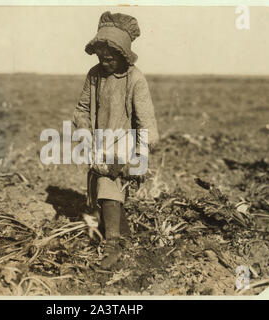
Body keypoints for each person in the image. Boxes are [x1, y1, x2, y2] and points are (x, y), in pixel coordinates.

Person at [72, 11, 159, 269]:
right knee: (105, 195)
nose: (105, 61)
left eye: (110, 58)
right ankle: (124, 238)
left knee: (109, 184)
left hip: (126, 147)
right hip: (99, 144)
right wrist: (85, 135)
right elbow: (81, 110)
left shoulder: (135, 79)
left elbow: (147, 125)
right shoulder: (94, 75)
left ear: (123, 55)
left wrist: (139, 159)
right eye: (101, 56)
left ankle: (112, 246)